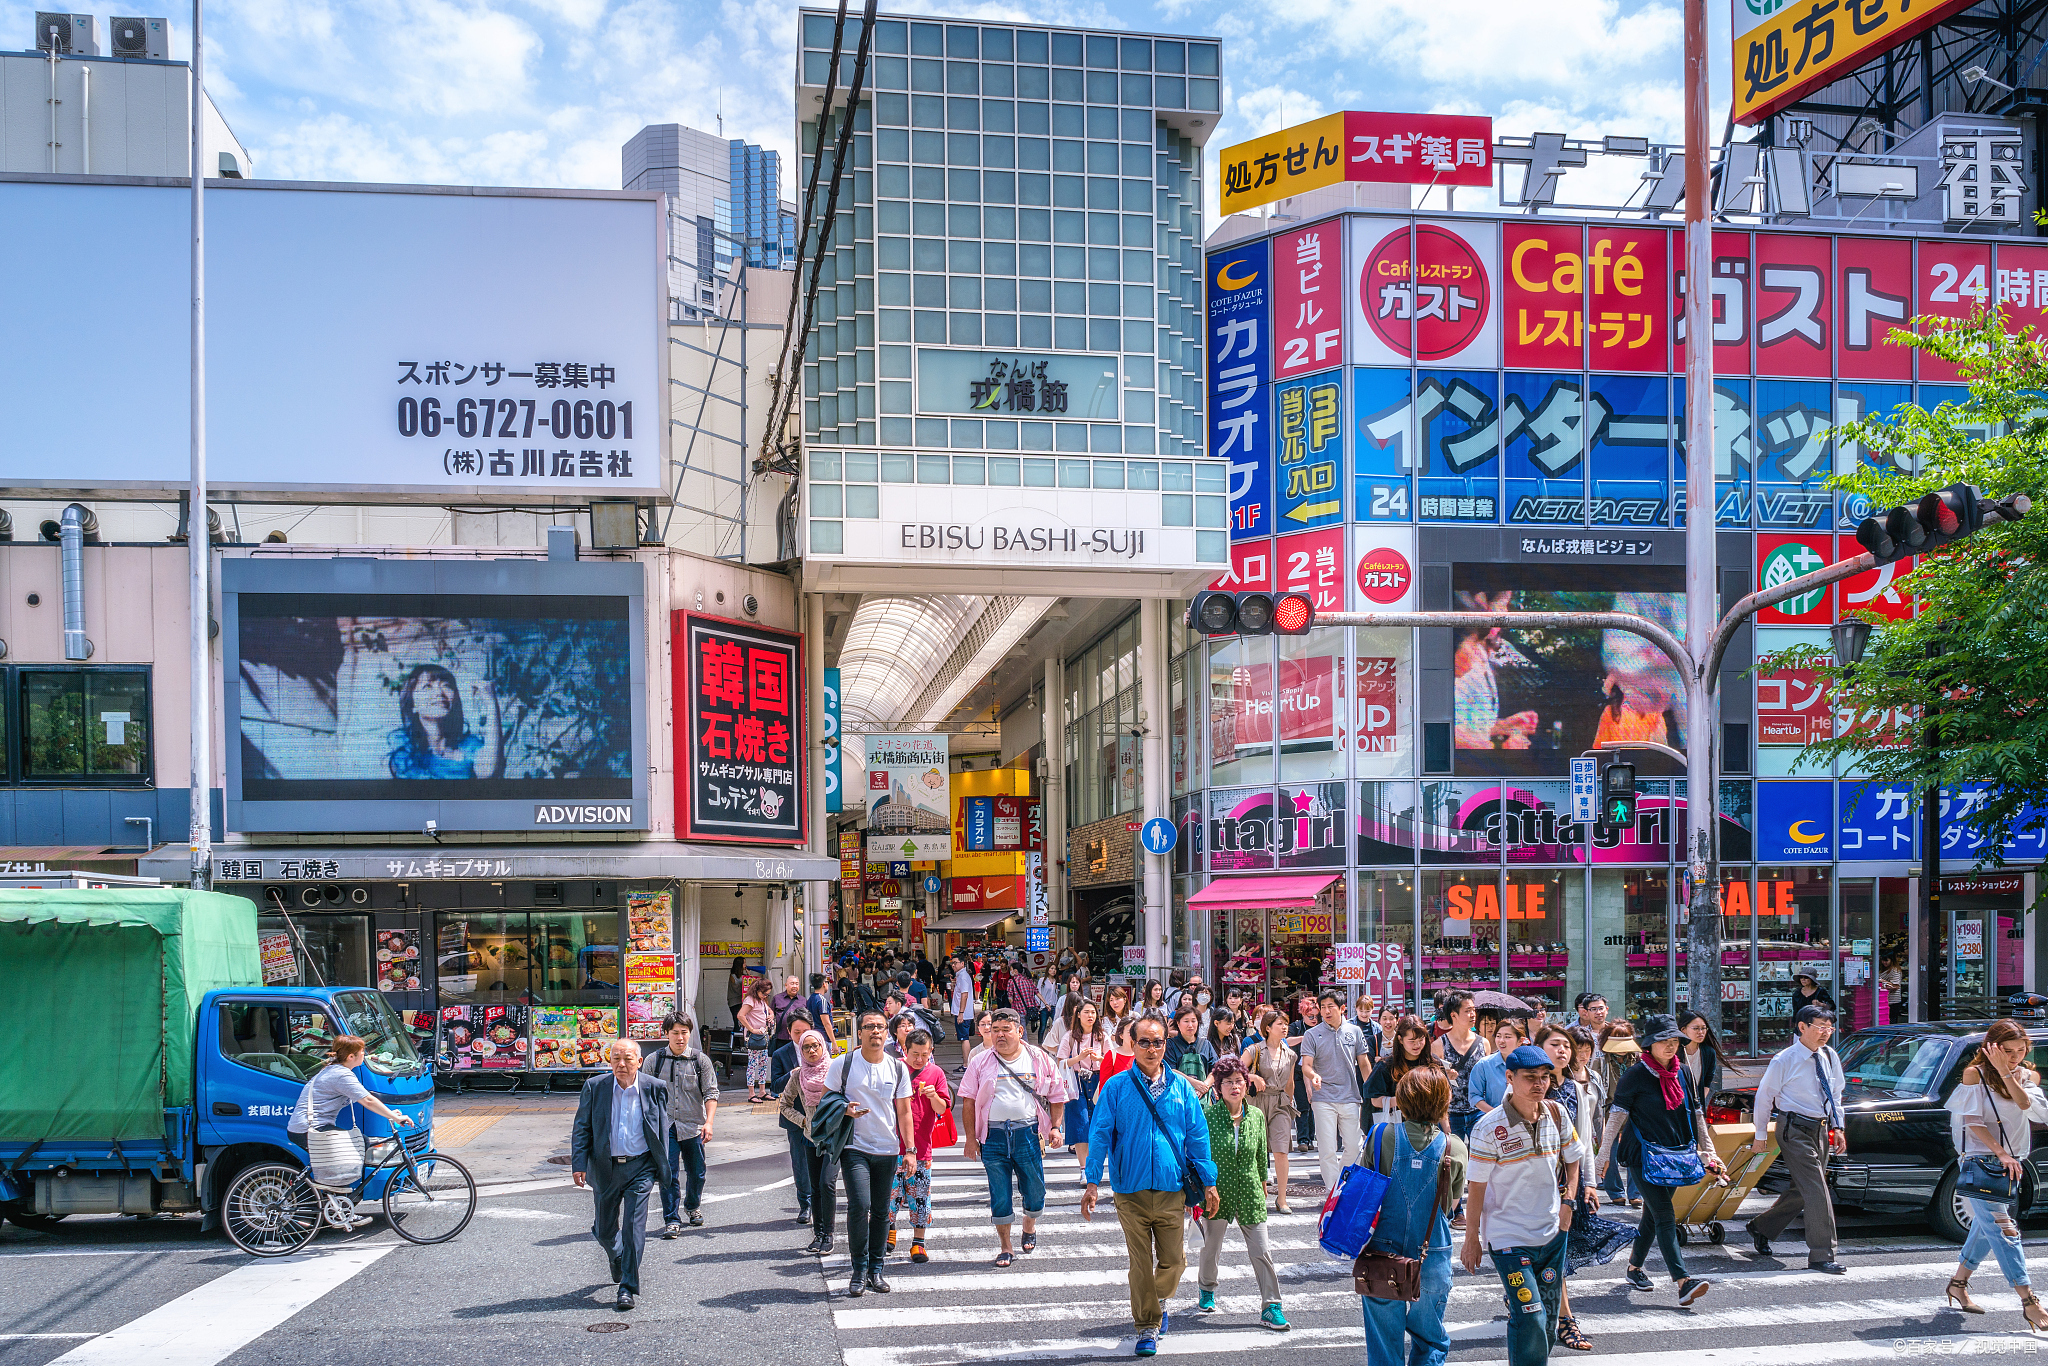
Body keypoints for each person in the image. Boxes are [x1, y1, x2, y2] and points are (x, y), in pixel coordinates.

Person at [1083, 1015, 1220, 1357]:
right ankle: (1147, 1325)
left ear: (1165, 1044)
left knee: (1175, 1262)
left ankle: (1156, 1297)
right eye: (1143, 1042)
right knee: (1140, 1262)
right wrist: (1091, 1181)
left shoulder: (1181, 1087)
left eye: (1157, 1042)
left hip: (1172, 1188)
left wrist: (1209, 1182)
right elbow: (1099, 1134)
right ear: (1132, 1044)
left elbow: (1198, 1137)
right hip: (1130, 1190)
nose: (1151, 1048)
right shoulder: (1116, 1087)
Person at [1461, 1045, 1585, 1366]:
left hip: (1552, 1236)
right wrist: (1471, 1238)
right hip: (1509, 1241)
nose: (1539, 1084)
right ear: (1509, 1078)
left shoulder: (1557, 1113)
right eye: (1530, 1078)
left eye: (1545, 1077)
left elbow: (1573, 1160)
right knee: (1529, 1316)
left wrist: (1569, 1201)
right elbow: (1476, 1189)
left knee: (1547, 1324)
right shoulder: (1489, 1127)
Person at [1596, 1013, 1725, 1304]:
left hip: (1676, 1154)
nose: (1670, 1046)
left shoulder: (1683, 1072)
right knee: (1666, 1214)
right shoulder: (1635, 1075)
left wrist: (1709, 1153)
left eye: (1674, 1041)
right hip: (1642, 1156)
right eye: (1662, 1041)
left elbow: (1696, 1113)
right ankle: (1682, 1281)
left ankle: (1633, 1268)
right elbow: (1616, 1116)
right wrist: (1604, 1156)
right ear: (1649, 1045)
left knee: (1653, 1217)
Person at [1941, 1018, 2048, 1327]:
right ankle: (2029, 1301)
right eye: (2007, 1051)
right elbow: (1972, 1121)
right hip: (1980, 1159)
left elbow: (2026, 1104)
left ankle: (1958, 1284)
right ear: (1991, 1048)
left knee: (1986, 1226)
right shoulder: (1973, 1074)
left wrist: (2006, 1071)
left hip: (2013, 1159)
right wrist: (1999, 1153)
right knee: (2004, 1229)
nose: (2014, 1056)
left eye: (2020, 1050)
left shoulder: (2027, 1076)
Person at [1361, 1067, 1466, 1366]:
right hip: (1432, 1250)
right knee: (1430, 1337)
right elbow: (1451, 1204)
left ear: (1403, 1101)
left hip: (1382, 1249)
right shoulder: (1453, 1146)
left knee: (1383, 1337)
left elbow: (1366, 1188)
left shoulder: (1381, 1135)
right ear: (1443, 1103)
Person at [960, 1007, 1068, 1265]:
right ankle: (1005, 1246)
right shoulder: (980, 1061)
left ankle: (1029, 1225)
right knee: (1000, 1193)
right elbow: (968, 1101)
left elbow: (1057, 1095)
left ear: (1019, 1031)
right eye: (994, 1030)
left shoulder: (1038, 1058)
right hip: (993, 1136)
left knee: (1035, 1190)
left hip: (1028, 1133)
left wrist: (1055, 1127)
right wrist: (970, 1138)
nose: (999, 1035)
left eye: (1005, 1029)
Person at [569, 1039, 672, 1311]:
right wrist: (578, 1163)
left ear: (639, 1061)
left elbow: (661, 1130)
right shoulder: (595, 1087)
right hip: (606, 1168)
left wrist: (663, 1167)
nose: (621, 1064)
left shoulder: (654, 1088)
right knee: (603, 1230)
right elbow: (582, 1128)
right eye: (616, 1058)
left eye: (628, 1058)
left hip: (641, 1167)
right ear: (609, 1061)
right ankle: (616, 1257)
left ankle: (627, 1287)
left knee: (633, 1228)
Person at [1745, 1004, 1847, 1273]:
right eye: (1820, 1027)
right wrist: (1759, 1135)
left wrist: (1839, 1127)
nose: (1826, 1033)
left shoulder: (1829, 1055)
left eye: (1829, 1027)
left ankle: (1762, 1226)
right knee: (1816, 1190)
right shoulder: (1784, 1059)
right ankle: (1822, 1254)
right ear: (1802, 1027)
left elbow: (1835, 1094)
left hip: (1821, 1128)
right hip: (1793, 1128)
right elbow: (1765, 1097)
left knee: (1803, 1189)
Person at [1194, 1055, 1288, 1332]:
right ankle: (1207, 1289)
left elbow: (1261, 1153)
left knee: (1262, 1251)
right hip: (1216, 1192)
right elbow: (1200, 1156)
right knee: (1210, 1248)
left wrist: (1263, 1183)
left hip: (1249, 1191)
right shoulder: (1208, 1117)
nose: (1235, 1087)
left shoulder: (1256, 1115)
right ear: (1218, 1088)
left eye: (1239, 1081)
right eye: (1228, 1082)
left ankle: (1272, 1307)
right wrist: (1201, 1191)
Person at [286, 1034, 416, 1230]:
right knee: (355, 1147)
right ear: (350, 1057)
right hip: (308, 1128)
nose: (365, 1054)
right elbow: (367, 1100)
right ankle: (338, 1209)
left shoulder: (336, 1070)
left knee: (360, 1143)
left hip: (310, 1126)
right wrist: (395, 1117)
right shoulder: (341, 1075)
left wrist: (390, 1113)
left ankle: (340, 1206)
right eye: (362, 1052)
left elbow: (365, 1097)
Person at [830, 1012, 916, 1297]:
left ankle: (875, 1270)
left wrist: (910, 1150)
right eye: (869, 1027)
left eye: (880, 1027)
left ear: (886, 1033)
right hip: (854, 1146)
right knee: (859, 1205)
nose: (875, 1032)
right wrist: (844, 1108)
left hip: (888, 1148)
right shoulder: (843, 1064)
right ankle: (858, 1270)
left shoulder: (898, 1068)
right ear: (860, 1033)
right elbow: (826, 1099)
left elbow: (904, 1111)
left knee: (881, 1212)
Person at [645, 1013, 718, 1236]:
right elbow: (644, 1096)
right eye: (675, 1033)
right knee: (668, 1173)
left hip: (693, 1126)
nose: (680, 1038)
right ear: (666, 1033)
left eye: (684, 1033)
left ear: (690, 1033)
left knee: (697, 1173)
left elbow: (711, 1092)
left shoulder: (700, 1060)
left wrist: (709, 1122)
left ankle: (692, 1205)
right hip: (664, 1127)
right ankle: (672, 1219)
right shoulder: (653, 1061)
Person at [888, 1029, 951, 1266]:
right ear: (905, 1050)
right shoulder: (894, 1069)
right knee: (889, 1195)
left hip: (922, 1146)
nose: (919, 1059)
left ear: (931, 1051)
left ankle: (918, 1243)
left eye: (925, 1054)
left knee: (921, 1196)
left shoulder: (935, 1073)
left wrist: (934, 1096)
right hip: (891, 1145)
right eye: (915, 1053)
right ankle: (889, 1231)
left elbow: (943, 1109)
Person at [1243, 1007, 1312, 1213]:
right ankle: (1260, 1191)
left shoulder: (1290, 1054)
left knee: (1281, 1150)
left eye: (1285, 1024)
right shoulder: (1254, 1050)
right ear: (1268, 1028)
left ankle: (1282, 1198)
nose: (1284, 1027)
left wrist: (1289, 1102)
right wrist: (1252, 1077)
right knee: (1256, 1149)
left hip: (1280, 1102)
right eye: (1280, 1024)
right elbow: (1235, 1070)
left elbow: (1290, 1082)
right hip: (1256, 1101)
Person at [1302, 991, 1373, 1190]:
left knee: (1354, 1146)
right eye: (1322, 1007)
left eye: (1330, 1006)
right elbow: (1306, 1065)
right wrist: (1313, 1076)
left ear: (1342, 1008)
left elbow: (1364, 1063)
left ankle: (1341, 1183)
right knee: (1327, 1149)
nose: (1325, 1011)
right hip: (1322, 1098)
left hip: (1351, 1096)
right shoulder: (1312, 1034)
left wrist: (1371, 1089)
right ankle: (1333, 1193)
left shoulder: (1355, 1031)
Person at [386, 662, 501, 779]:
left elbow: (488, 771)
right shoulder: (405, 754)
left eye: (446, 685)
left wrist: (491, 703)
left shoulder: (469, 746)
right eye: (427, 686)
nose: (439, 693)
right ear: (412, 705)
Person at [780, 1030, 839, 1254]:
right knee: (815, 1188)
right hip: (810, 1138)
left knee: (827, 1184)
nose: (812, 1051)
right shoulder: (798, 1075)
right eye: (807, 1047)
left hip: (833, 1138)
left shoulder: (835, 1070)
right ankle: (819, 1234)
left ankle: (830, 1233)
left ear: (823, 1046)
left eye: (816, 1046)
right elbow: (784, 1104)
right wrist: (803, 1121)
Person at [1058, 997, 1112, 1175]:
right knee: (1080, 1124)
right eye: (1086, 1012)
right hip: (1076, 1081)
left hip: (1099, 1081)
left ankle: (1097, 1164)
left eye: (1093, 1012)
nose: (1090, 1015)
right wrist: (1079, 1058)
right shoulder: (1070, 1036)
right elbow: (1061, 1062)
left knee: (1100, 1124)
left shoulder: (1102, 1036)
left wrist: (1099, 1059)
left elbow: (1112, 1061)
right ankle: (1084, 1168)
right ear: (1078, 1014)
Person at [1432, 989, 1490, 1149]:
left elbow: (1487, 1079)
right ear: (1453, 1015)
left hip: (1478, 1111)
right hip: (1450, 1113)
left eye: (1473, 1010)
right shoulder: (1439, 1045)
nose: (1473, 1015)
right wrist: (1445, 1076)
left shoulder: (1483, 1043)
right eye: (1467, 1011)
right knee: (1453, 1161)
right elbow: (1433, 1084)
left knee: (1481, 1159)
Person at [1593, 1021, 1642, 1207]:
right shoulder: (1601, 1062)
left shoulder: (1638, 1060)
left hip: (1634, 1112)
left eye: (1624, 1038)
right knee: (1609, 1153)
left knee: (1635, 1153)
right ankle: (1615, 1191)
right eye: (1616, 1038)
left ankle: (1635, 1193)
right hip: (1608, 1112)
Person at [1364, 1014, 1434, 1126]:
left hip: (1429, 1126)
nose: (1417, 1045)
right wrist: (1404, 1100)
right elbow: (1375, 1100)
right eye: (1411, 1041)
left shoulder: (1433, 1063)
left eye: (1421, 1040)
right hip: (1396, 1127)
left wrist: (1447, 1130)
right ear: (1400, 1039)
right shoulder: (1385, 1066)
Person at [1467, 1015, 1528, 1114]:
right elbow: (1474, 1096)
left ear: (1520, 1041)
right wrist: (1496, 1114)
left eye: (1507, 1037)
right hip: (1495, 1123)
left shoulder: (1528, 1064)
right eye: (1498, 1036)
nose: (1501, 1041)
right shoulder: (1484, 1064)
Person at [1288, 992, 1319, 1153]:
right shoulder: (1297, 1026)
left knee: (1314, 1104)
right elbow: (1286, 1041)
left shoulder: (1322, 1027)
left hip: (1317, 1071)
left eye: (1315, 1016)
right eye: (1310, 1016)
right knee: (1302, 1104)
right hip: (1299, 1071)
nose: (1314, 1019)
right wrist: (1304, 1037)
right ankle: (1303, 1139)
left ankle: (1311, 1137)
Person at [1164, 1006, 1218, 1097]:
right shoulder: (1170, 1045)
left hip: (1204, 1096)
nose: (1190, 1025)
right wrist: (1194, 1083)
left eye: (1193, 1021)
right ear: (1178, 1023)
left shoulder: (1206, 1044)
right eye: (1186, 1021)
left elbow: (1216, 1069)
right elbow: (1170, 1070)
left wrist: (1205, 1086)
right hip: (1179, 1095)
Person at [738, 978, 776, 1104]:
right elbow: (740, 1015)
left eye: (767, 994)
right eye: (764, 993)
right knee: (753, 1065)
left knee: (763, 1064)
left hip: (762, 1036)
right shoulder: (750, 1000)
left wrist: (771, 1015)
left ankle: (762, 1091)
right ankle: (751, 1094)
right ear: (757, 990)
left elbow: (769, 1010)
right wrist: (751, 1029)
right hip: (754, 1037)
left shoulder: (761, 1000)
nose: (765, 996)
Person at [1677, 1010, 1722, 1097]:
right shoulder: (1675, 1051)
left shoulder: (1709, 1052)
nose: (1700, 1032)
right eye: (1696, 1028)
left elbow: (1707, 1082)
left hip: (1696, 1104)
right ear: (1683, 1030)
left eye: (1703, 1028)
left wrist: (1699, 1102)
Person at [950, 956, 981, 1070]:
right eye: (952, 963)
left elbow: (965, 994)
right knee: (963, 1037)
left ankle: (966, 1064)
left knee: (964, 1038)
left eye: (955, 963)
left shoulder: (963, 976)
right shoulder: (961, 976)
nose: (953, 965)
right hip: (963, 1012)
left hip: (963, 1013)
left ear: (962, 964)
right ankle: (966, 1064)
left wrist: (961, 1012)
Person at [771, 974, 805, 1046]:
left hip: (798, 1038)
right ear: (786, 985)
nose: (794, 986)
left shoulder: (803, 1000)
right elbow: (771, 1014)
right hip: (781, 1037)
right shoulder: (777, 998)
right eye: (792, 984)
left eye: (797, 984)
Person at [806, 973, 837, 1047]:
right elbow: (826, 1023)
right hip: (823, 1038)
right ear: (824, 984)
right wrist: (834, 1043)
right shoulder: (821, 1000)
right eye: (827, 982)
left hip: (813, 1035)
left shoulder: (810, 999)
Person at [726, 957, 747, 1027]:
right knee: (737, 1022)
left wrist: (748, 975)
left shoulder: (743, 975)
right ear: (739, 964)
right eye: (744, 963)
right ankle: (736, 1038)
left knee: (743, 1023)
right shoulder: (733, 976)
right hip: (734, 1002)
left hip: (741, 1002)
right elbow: (737, 989)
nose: (745, 965)